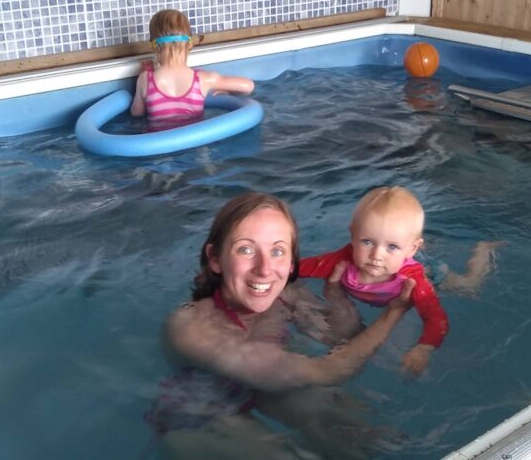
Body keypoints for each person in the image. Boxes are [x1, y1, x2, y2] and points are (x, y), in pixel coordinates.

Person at [153, 192, 415, 459]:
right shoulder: (191, 327)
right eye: (245, 249)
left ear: (291, 263)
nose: (265, 269)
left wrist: (336, 297)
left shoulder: (288, 294)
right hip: (200, 414)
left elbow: (342, 340)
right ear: (215, 258)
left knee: (348, 426)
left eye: (277, 251)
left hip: (265, 388)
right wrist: (393, 314)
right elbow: (328, 370)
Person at [299, 186, 503, 375]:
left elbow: (436, 318)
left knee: (468, 287)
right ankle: (408, 244)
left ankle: (483, 249)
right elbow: (295, 268)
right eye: (367, 242)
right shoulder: (341, 260)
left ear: (410, 250)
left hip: (430, 272)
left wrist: (423, 348)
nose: (376, 255)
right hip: (403, 260)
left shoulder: (414, 280)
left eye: (391, 247)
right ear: (352, 236)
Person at [130, 9, 254, 128]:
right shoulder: (202, 79)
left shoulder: (145, 79)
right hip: (197, 145)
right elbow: (248, 86)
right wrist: (227, 91)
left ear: (154, 46)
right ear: (189, 44)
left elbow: (137, 113)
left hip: (158, 147)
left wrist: (144, 73)